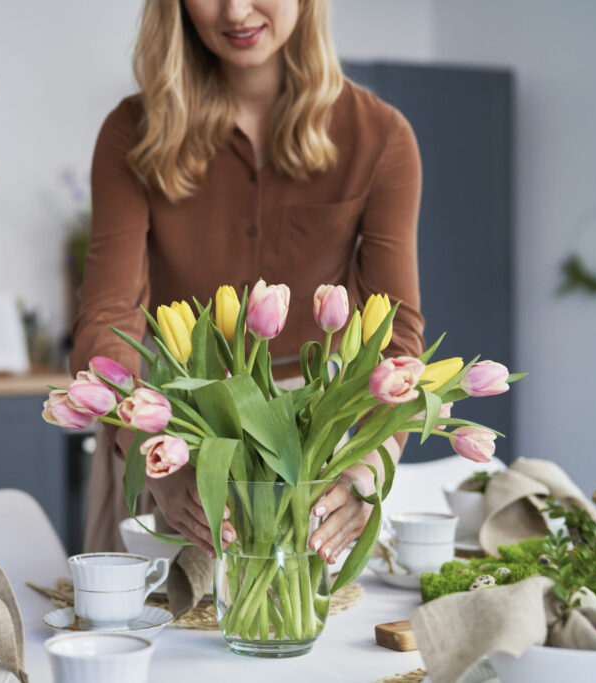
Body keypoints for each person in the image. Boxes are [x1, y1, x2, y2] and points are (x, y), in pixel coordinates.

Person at [70, 0, 424, 565]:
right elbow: (107, 318)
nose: (236, 10)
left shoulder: (381, 137)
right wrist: (153, 455)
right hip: (169, 424)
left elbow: (399, 335)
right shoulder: (130, 133)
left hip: (311, 445)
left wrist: (367, 466)